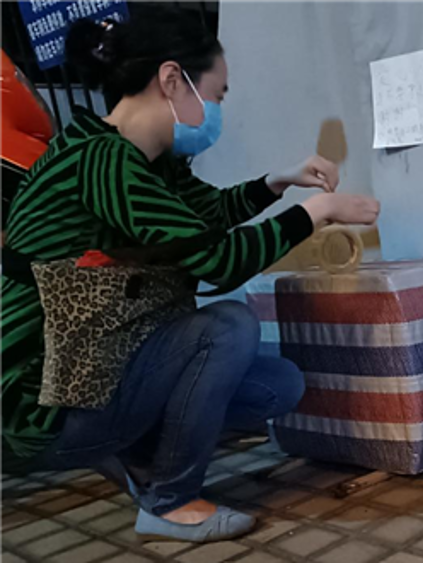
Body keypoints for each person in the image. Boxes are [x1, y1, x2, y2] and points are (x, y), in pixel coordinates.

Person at [0, 8, 380, 542]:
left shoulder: (146, 161)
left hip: (91, 367)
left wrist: (276, 183)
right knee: (227, 327)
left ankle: (132, 451)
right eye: (216, 95)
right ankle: (169, 500)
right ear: (172, 80)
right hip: (41, 406)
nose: (216, 111)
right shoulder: (102, 163)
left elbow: (207, 215)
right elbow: (219, 262)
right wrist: (316, 213)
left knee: (276, 385)